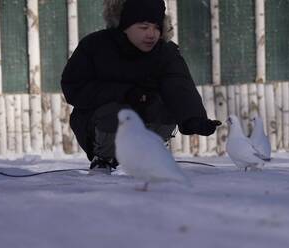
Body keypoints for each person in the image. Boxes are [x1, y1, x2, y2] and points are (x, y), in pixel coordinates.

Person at [61, 0, 221, 173]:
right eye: (144, 27)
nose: (151, 34)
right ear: (123, 25)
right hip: (98, 124)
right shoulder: (94, 46)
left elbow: (179, 86)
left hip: (146, 116)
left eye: (156, 27)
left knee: (165, 105)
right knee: (117, 112)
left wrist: (193, 119)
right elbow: (74, 87)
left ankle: (153, 154)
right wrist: (125, 93)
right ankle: (104, 159)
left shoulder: (164, 52)